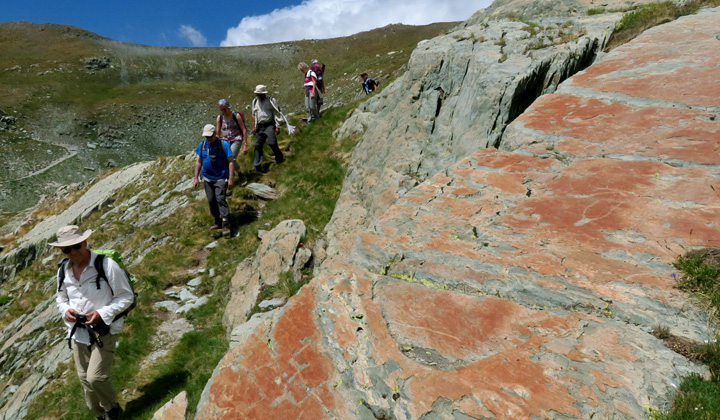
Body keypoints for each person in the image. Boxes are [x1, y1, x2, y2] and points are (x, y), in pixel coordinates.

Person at [52, 225, 134, 420]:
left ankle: (112, 410)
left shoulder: (105, 265)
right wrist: (66, 311)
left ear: (85, 243)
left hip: (103, 330)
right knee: (85, 383)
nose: (73, 252)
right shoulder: (63, 269)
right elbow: (60, 298)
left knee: (95, 378)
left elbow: (126, 297)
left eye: (76, 246)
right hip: (78, 333)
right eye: (66, 249)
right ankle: (101, 415)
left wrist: (101, 313)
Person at [194, 123, 234, 237]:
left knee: (220, 198)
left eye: (210, 136)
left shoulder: (223, 144)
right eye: (206, 137)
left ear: (215, 134)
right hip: (207, 178)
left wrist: (231, 178)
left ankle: (225, 222)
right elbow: (198, 161)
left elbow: (231, 161)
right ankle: (217, 220)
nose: (208, 139)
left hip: (221, 177)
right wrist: (195, 178)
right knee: (211, 200)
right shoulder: (202, 145)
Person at [251, 85, 285, 172]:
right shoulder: (255, 101)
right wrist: (253, 127)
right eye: (258, 94)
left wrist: (278, 126)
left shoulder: (271, 100)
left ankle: (279, 158)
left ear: (264, 94)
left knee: (272, 142)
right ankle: (257, 166)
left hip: (269, 124)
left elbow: (276, 113)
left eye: (260, 94)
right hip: (259, 126)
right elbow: (253, 114)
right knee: (257, 145)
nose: (259, 96)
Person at [215, 99, 248, 173]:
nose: (223, 111)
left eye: (225, 109)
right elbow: (217, 133)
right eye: (222, 110)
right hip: (225, 140)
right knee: (224, 158)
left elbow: (244, 129)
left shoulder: (236, 115)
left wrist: (245, 144)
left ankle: (238, 175)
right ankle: (234, 174)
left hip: (236, 138)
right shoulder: (220, 118)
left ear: (228, 107)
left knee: (231, 158)